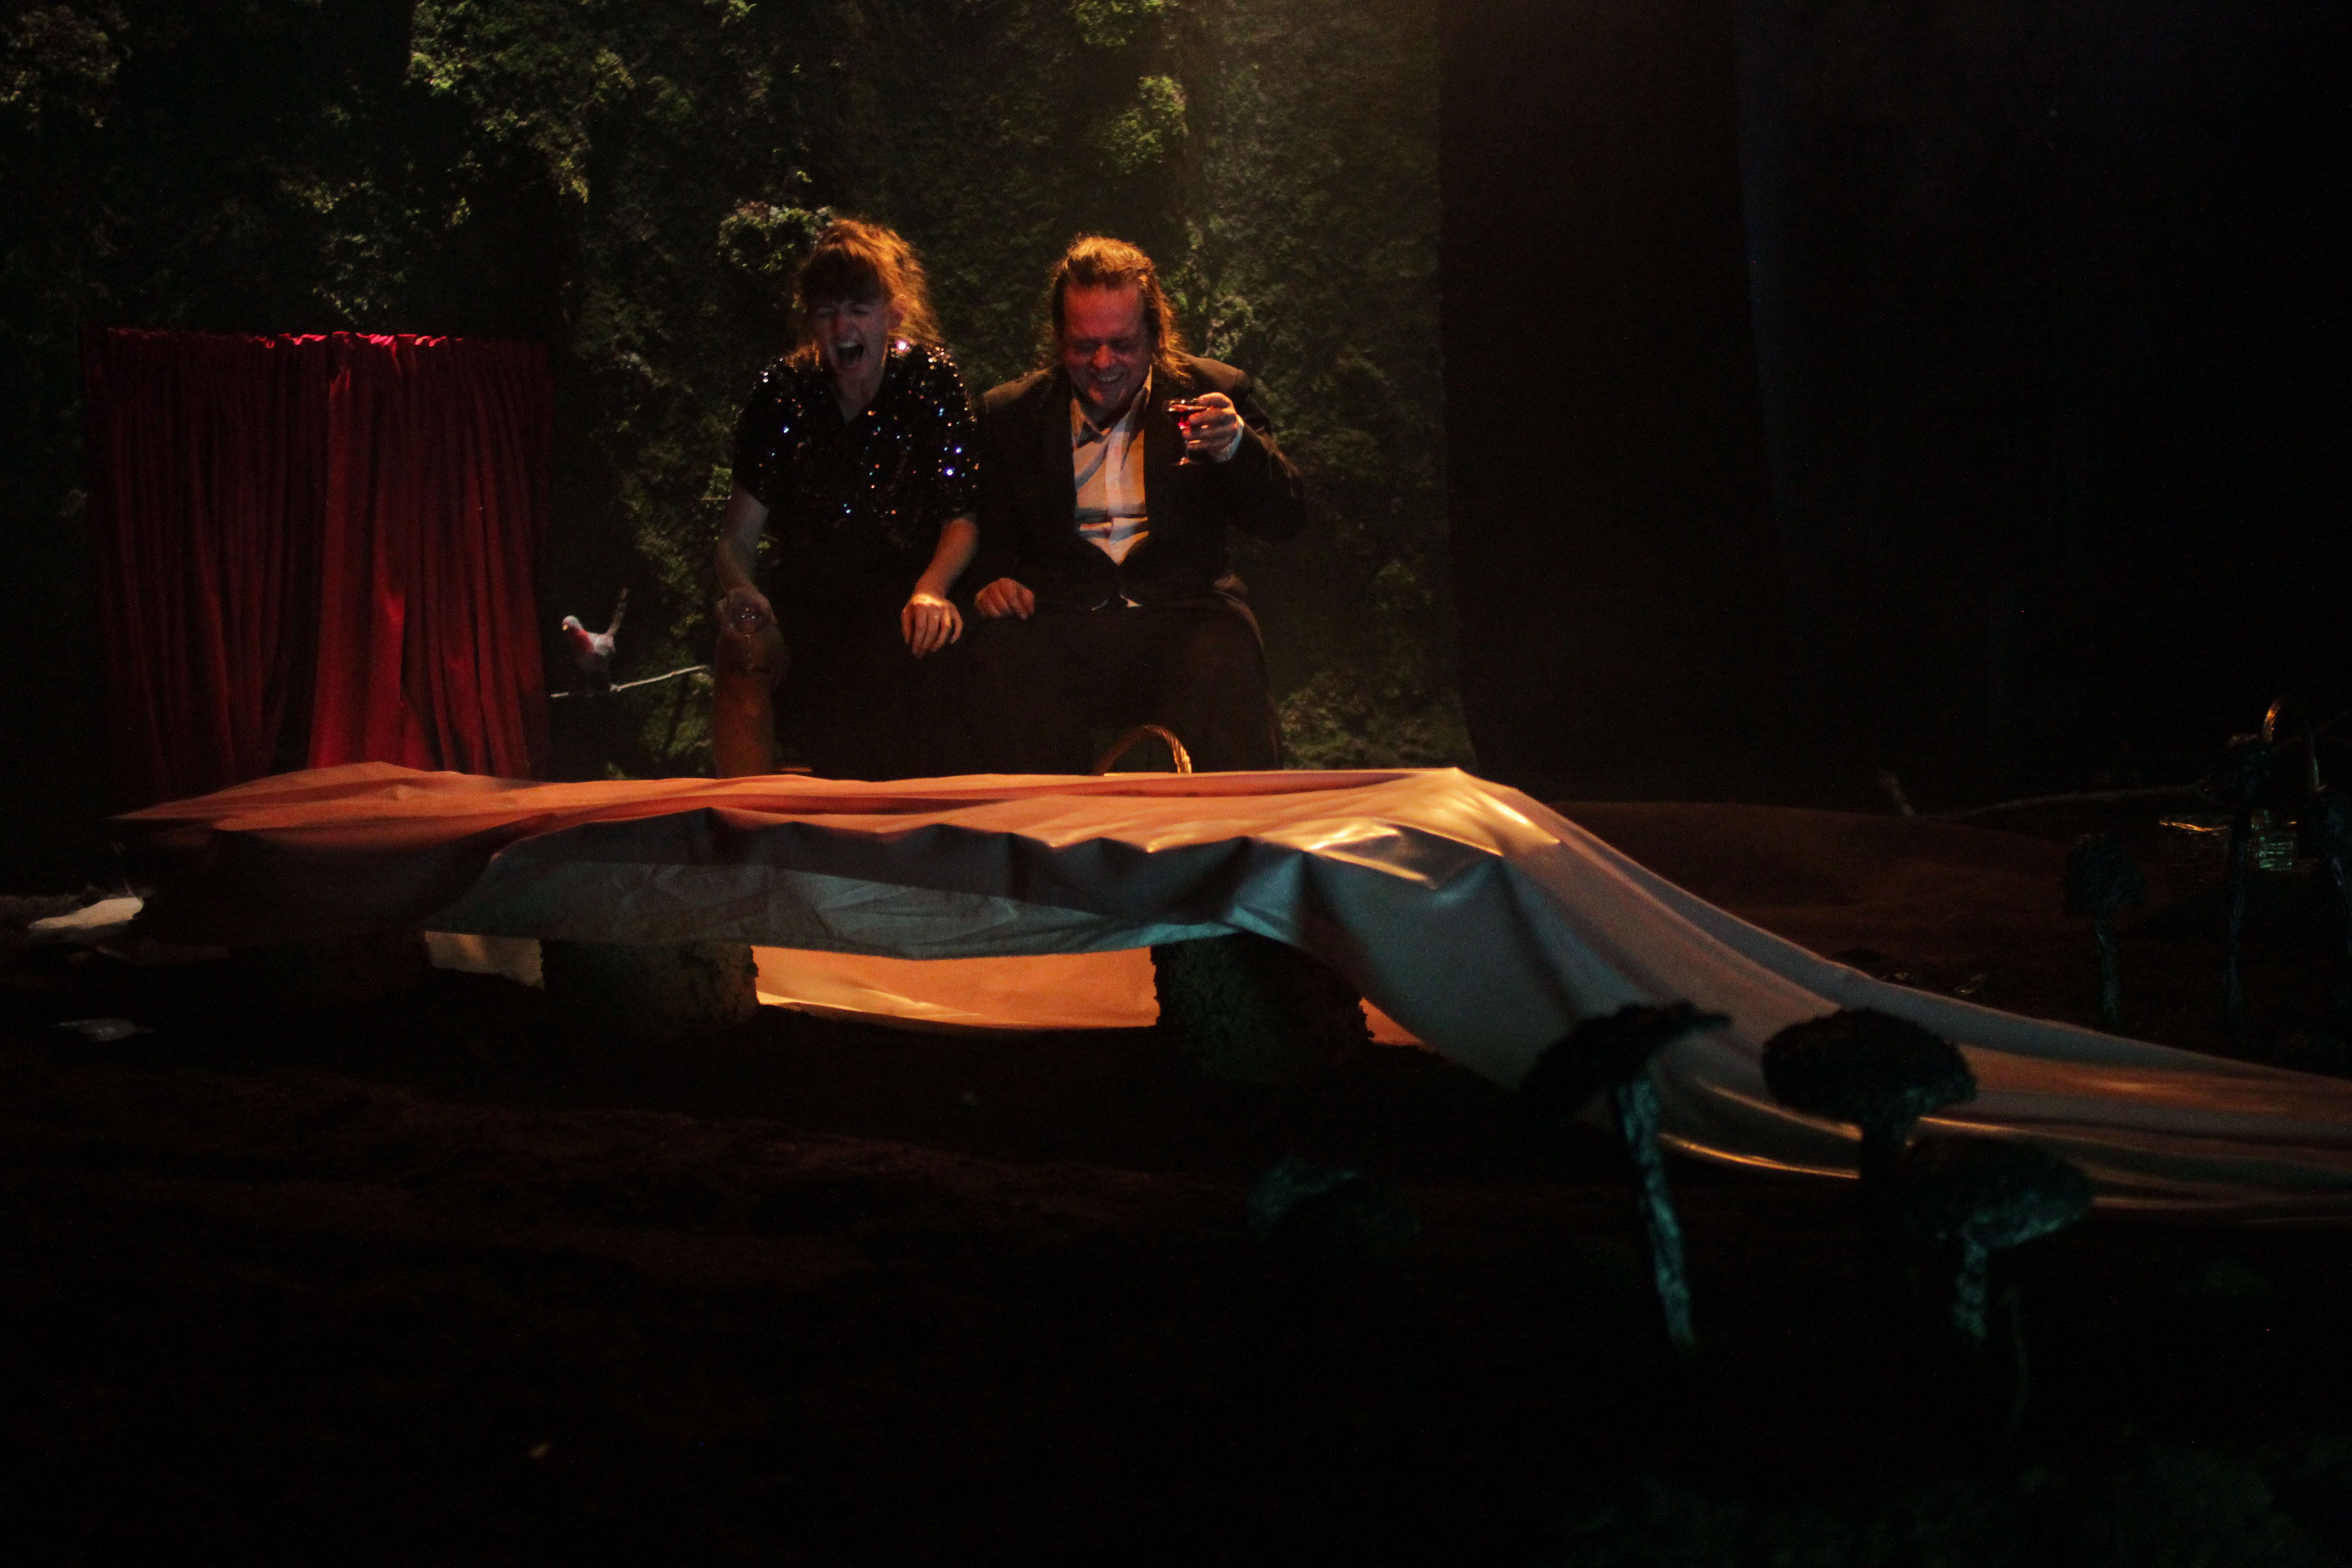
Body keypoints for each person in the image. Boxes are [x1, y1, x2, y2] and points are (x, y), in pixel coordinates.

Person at [967, 235, 1308, 773]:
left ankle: (1233, 824)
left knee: (1226, 650)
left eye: (1122, 345)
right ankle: (1042, 825)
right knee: (999, 651)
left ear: (1155, 334)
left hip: (1180, 616)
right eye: (1085, 346)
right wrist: (994, 583)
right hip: (1062, 618)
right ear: (1059, 339)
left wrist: (1237, 448)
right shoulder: (1011, 415)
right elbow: (986, 538)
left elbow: (1285, 518)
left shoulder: (1212, 393)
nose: (1104, 362)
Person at [712, 218, 982, 779]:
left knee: (929, 654)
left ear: (894, 313)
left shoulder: (931, 380)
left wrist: (932, 588)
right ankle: (747, 822)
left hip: (904, 601)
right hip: (808, 606)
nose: (841, 327)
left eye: (858, 309)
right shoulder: (783, 393)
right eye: (826, 312)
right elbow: (735, 541)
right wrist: (743, 591)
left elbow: (962, 518)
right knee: (741, 650)